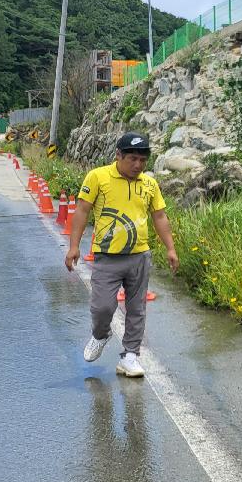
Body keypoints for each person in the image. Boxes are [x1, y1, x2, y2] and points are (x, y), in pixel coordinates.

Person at [67, 132, 178, 378]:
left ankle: (130, 356)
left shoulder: (149, 184)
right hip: (107, 256)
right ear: (118, 155)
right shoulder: (98, 177)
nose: (137, 165)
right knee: (103, 307)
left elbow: (159, 216)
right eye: (132, 159)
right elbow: (82, 211)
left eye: (142, 160)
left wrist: (170, 248)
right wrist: (74, 246)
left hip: (139, 255)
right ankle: (100, 334)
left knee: (136, 308)